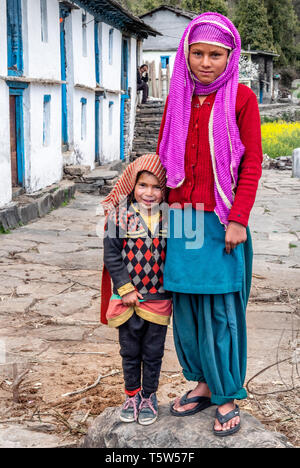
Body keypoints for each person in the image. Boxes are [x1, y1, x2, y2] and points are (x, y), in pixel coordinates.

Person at [156, 12, 263, 436]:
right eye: (197, 53)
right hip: (182, 222)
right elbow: (164, 161)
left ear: (230, 55)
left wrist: (239, 220)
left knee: (221, 311)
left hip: (221, 222)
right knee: (187, 310)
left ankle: (227, 393)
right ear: (186, 54)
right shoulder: (177, 100)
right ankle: (202, 382)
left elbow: (251, 164)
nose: (205, 62)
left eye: (215, 55)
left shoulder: (241, 99)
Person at [100, 154, 172, 426]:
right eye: (143, 185)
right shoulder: (120, 215)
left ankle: (148, 396)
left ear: (164, 189)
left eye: (156, 187)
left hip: (158, 299)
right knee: (130, 351)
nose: (149, 193)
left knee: (153, 352)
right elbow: (112, 255)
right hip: (128, 298)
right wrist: (126, 288)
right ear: (132, 184)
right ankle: (131, 395)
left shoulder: (170, 217)